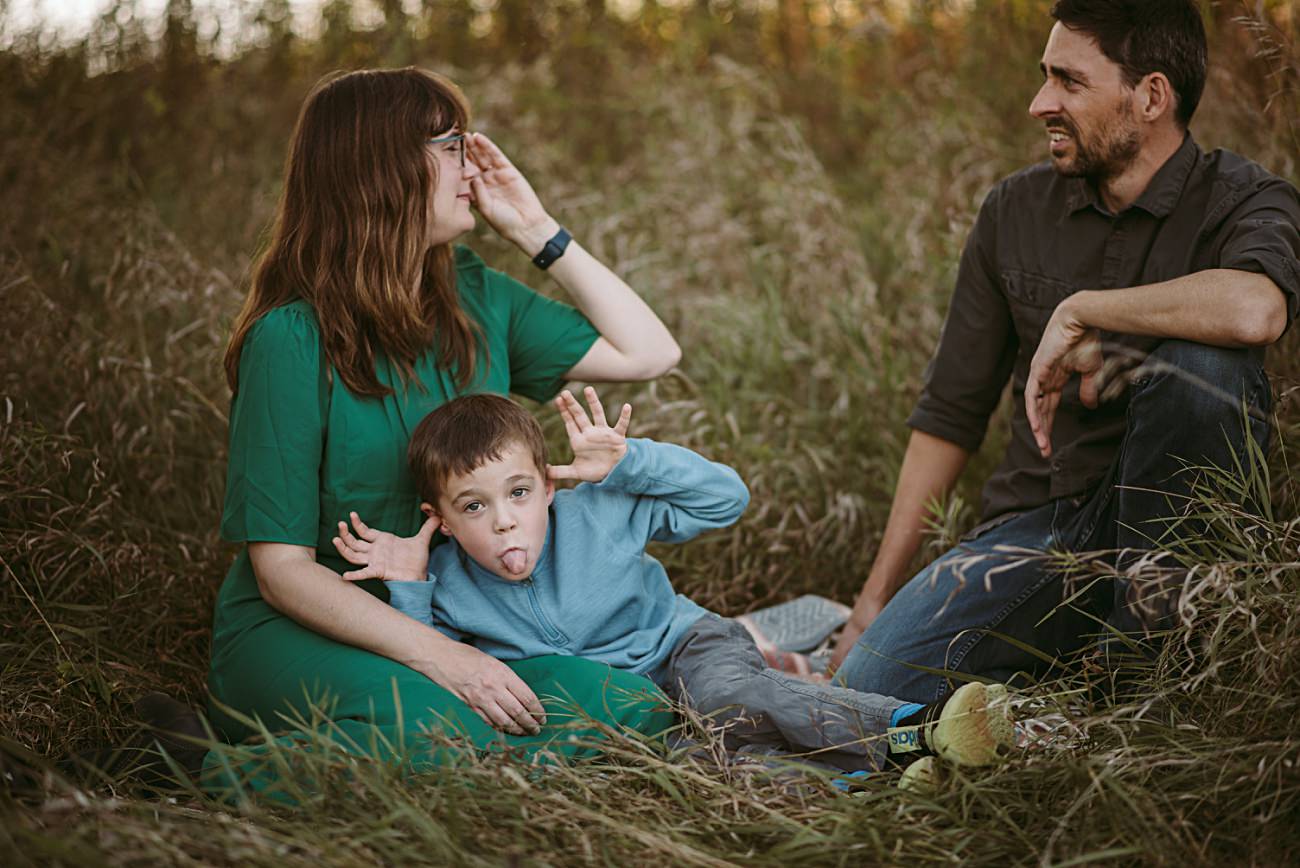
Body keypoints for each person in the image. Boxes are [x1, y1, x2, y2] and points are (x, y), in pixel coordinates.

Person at [202, 67, 690, 792]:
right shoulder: (290, 340)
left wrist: (535, 229)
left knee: (631, 707)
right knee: (446, 732)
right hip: (306, 631)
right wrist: (446, 660)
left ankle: (478, 767)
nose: (475, 162)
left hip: (465, 618)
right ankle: (197, 765)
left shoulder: (472, 297)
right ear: (384, 168)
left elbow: (650, 351)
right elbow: (281, 572)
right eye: (453, 145)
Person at [831, 0, 1300, 704]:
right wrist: (872, 601)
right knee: (868, 686)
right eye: (1045, 77)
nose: (1039, 103)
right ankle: (1063, 673)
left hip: (1179, 537)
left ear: (1150, 96)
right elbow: (949, 415)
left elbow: (1256, 309)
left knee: (1208, 367)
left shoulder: (1246, 201)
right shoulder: (1012, 212)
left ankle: (1141, 686)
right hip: (1036, 530)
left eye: (1069, 82)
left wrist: (1085, 311)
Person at [331, 387, 1021, 778]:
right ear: (441, 520)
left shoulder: (594, 511)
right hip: (631, 706)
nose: (505, 523)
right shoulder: (448, 583)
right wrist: (413, 585)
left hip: (683, 646)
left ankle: (916, 728)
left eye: (517, 493)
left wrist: (630, 463)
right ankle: (866, 783)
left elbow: (727, 500)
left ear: (547, 487)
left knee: (731, 698)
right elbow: (440, 673)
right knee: (699, 761)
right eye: (475, 507)